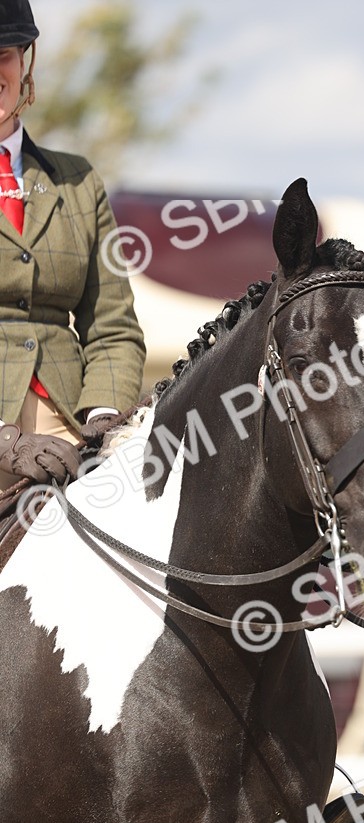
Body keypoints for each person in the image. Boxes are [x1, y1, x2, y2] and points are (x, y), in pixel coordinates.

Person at [0, 0, 145, 491]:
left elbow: (113, 327)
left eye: (3, 55)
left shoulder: (78, 182)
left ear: (24, 62)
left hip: (67, 427)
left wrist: (102, 417)